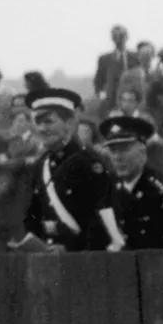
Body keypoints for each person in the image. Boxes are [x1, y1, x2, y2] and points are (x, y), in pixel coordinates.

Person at [20, 87, 116, 251]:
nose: (42, 129)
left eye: (49, 121)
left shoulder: (89, 163)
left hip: (81, 261)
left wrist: (70, 249)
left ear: (70, 123)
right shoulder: (41, 164)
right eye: (38, 122)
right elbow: (33, 214)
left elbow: (102, 221)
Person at [94, 113, 163, 250]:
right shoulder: (106, 190)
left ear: (143, 153)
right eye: (113, 150)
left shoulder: (161, 195)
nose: (117, 157)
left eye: (124, 149)